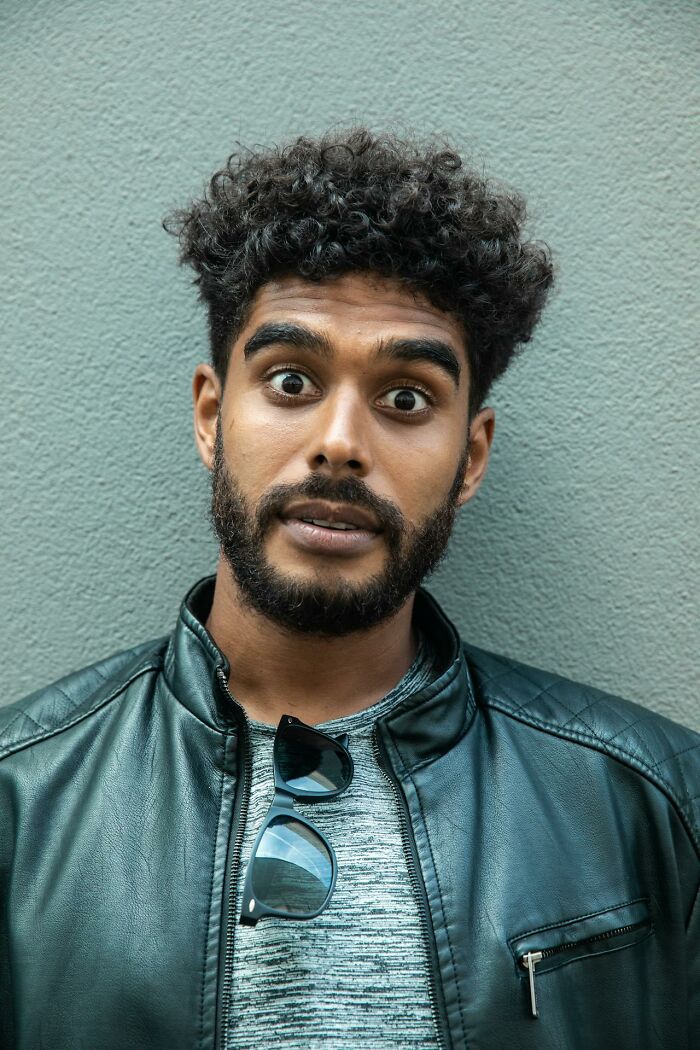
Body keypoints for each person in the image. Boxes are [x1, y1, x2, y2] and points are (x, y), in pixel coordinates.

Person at [1, 127, 697, 1050]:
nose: (339, 442)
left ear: (471, 456)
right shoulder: (20, 802)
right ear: (213, 417)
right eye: (291, 381)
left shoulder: (657, 801)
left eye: (405, 398)